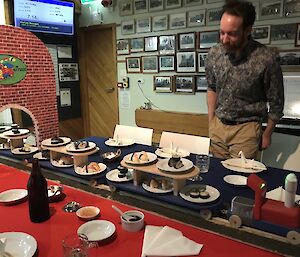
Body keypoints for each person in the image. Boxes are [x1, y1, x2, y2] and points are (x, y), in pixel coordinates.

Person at [205, 0, 284, 159]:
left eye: (231, 34)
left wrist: (267, 133)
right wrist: (211, 121)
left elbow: (276, 103)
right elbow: (212, 87)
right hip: (218, 126)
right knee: (217, 176)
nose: (224, 39)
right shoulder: (214, 54)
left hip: (246, 129)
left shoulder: (266, 58)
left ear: (248, 30)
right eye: (222, 32)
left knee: (238, 178)